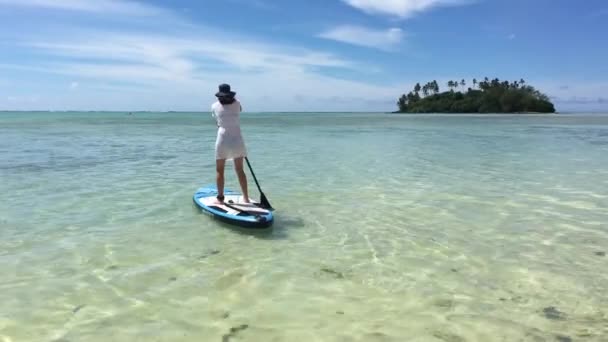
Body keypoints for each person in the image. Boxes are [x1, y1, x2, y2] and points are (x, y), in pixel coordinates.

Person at [210, 83, 249, 204]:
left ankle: (220, 198)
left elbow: (217, 122)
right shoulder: (237, 104)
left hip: (222, 139)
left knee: (220, 170)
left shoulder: (214, 106)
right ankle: (246, 198)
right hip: (237, 140)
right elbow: (239, 108)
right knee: (240, 170)